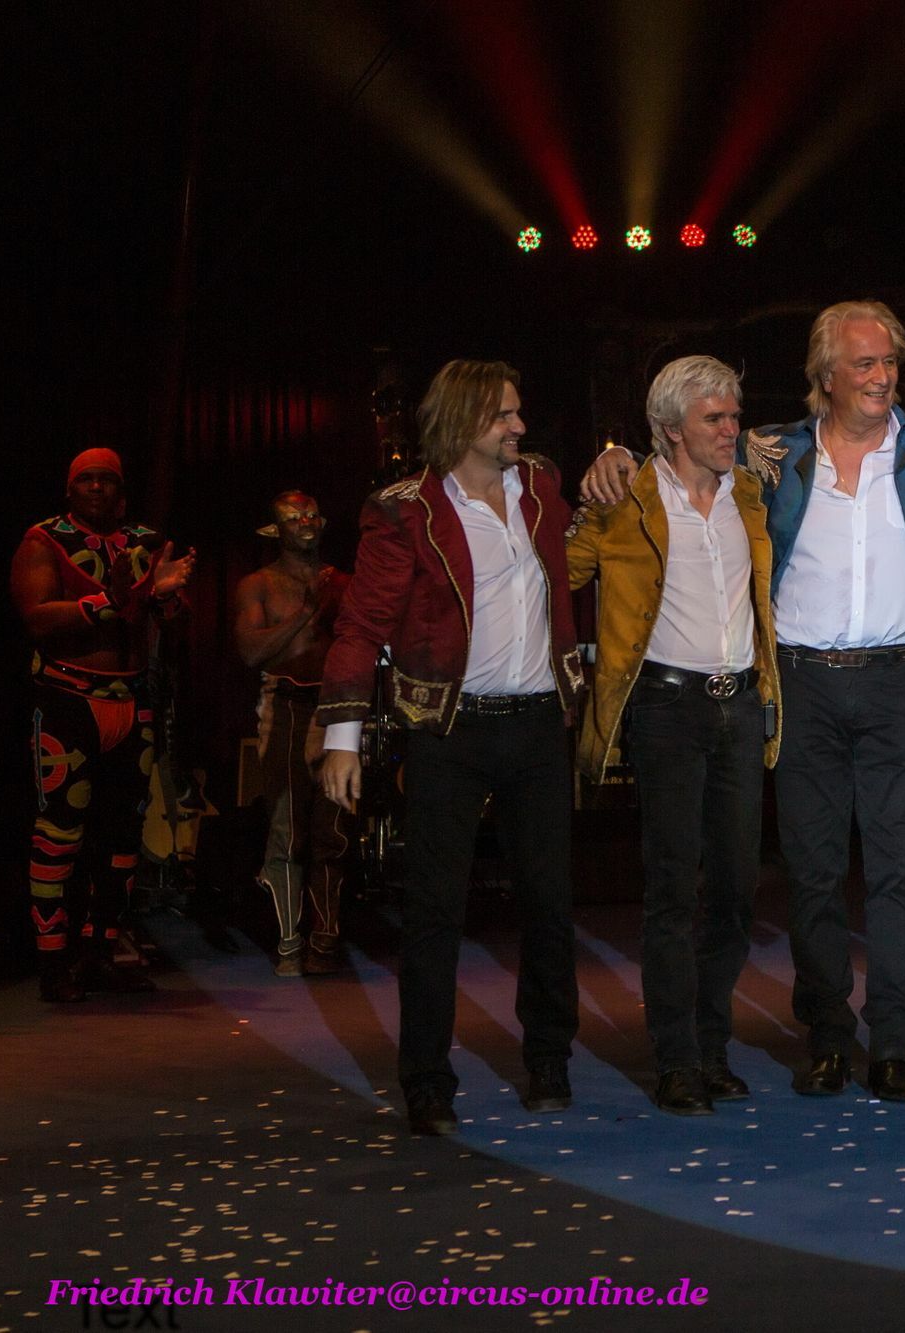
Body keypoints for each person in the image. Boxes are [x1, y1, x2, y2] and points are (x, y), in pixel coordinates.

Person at [580, 302, 905, 1104]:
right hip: (802, 686)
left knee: (899, 872)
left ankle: (893, 1047)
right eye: (864, 364)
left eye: (889, 362)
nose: (882, 377)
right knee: (813, 872)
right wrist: (615, 453)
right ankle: (828, 1038)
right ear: (825, 375)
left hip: (900, 680)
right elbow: (682, 453)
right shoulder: (772, 455)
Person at [318, 360, 588, 1136]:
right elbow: (360, 626)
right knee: (435, 910)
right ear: (464, 421)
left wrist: (621, 462)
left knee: (549, 903)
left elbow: (603, 511)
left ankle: (549, 1059)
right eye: (505, 414)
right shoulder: (405, 511)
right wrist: (342, 738)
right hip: (449, 729)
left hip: (537, 723)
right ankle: (427, 1081)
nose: (519, 425)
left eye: (518, 412)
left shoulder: (540, 487)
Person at [565, 356, 778, 1115]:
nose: (731, 430)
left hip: (739, 706)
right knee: (671, 889)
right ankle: (677, 1059)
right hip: (666, 708)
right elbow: (561, 570)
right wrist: (594, 484)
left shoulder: (748, 494)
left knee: (735, 891)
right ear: (670, 429)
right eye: (714, 419)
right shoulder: (627, 499)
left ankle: (712, 1047)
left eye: (734, 416)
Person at [10, 449, 195, 1002]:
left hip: (132, 700)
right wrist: (110, 601)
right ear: (70, 489)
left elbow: (175, 620)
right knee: (58, 833)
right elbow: (37, 617)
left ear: (121, 490)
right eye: (86, 479)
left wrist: (167, 598)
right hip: (68, 700)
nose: (96, 488)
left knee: (122, 837)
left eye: (107, 480)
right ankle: (53, 963)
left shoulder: (145, 542)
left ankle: (101, 954)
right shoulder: (43, 540)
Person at [231, 490, 353, 976]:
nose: (304, 522)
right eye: (292, 517)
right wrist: (307, 614)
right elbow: (250, 652)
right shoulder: (259, 584)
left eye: (311, 515)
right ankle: (288, 943)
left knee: (333, 830)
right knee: (288, 828)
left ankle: (325, 940)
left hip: (336, 709)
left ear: (322, 523)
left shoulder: (343, 582)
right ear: (275, 529)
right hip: (283, 706)